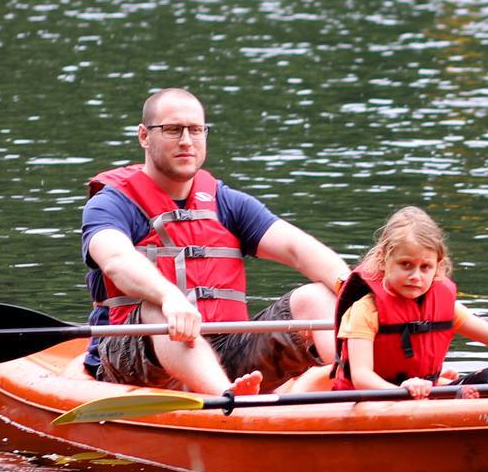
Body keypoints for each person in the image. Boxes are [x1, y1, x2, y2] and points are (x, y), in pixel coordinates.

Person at [82, 88, 348, 394]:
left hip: (226, 350)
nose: (186, 140)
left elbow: (297, 249)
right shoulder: (111, 204)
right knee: (158, 308)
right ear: (144, 136)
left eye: (195, 130)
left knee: (318, 296)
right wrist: (170, 297)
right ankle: (229, 401)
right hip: (136, 358)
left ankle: (355, 386)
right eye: (172, 129)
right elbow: (116, 261)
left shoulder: (226, 202)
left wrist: (352, 289)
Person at [285, 206, 488, 397]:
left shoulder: (443, 304)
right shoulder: (365, 309)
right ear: (384, 261)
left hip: (422, 395)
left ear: (438, 266)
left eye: (425, 268)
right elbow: (362, 376)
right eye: (406, 265)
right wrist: (401, 391)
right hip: (371, 400)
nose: (416, 276)